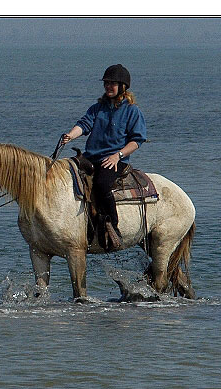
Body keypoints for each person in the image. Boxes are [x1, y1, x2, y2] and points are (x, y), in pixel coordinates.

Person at [60, 64, 147, 251]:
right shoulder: (97, 108)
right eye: (106, 83)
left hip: (115, 160)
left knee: (100, 184)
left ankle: (112, 226)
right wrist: (70, 135)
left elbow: (137, 140)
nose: (108, 86)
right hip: (92, 157)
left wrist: (118, 155)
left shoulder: (132, 111)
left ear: (123, 86)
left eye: (113, 83)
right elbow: (84, 125)